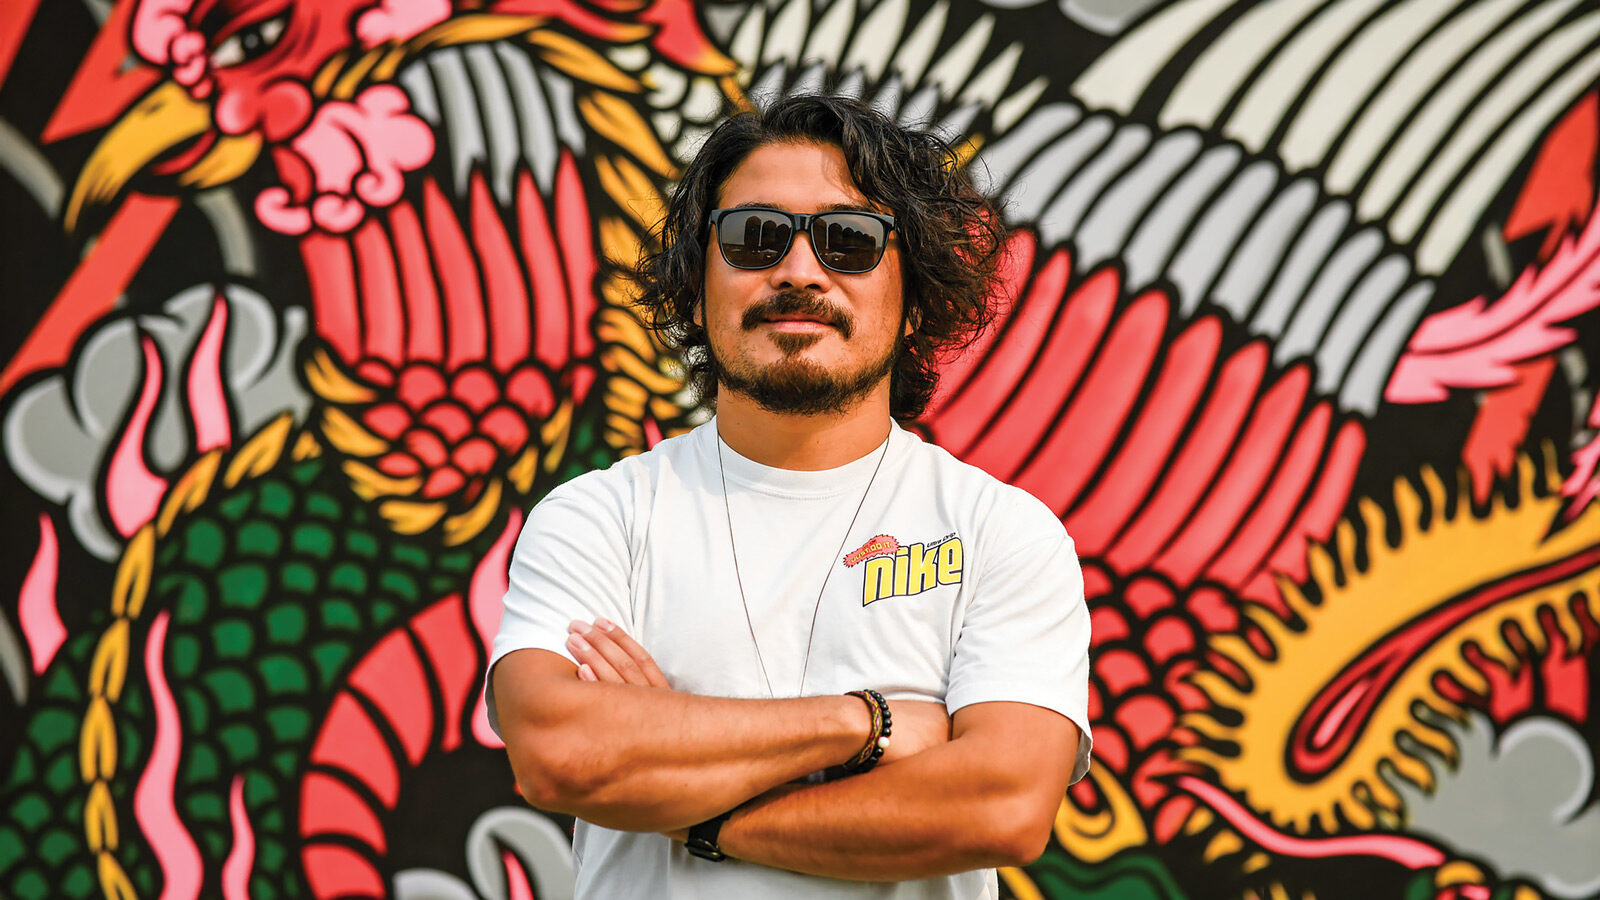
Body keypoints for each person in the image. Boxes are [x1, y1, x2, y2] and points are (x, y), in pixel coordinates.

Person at [486, 94, 1092, 899]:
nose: (799, 271)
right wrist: (868, 724)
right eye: (753, 237)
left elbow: (1001, 804)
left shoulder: (1001, 533)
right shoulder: (598, 517)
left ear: (915, 302)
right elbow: (560, 754)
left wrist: (695, 814)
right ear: (697, 289)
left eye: (850, 242)